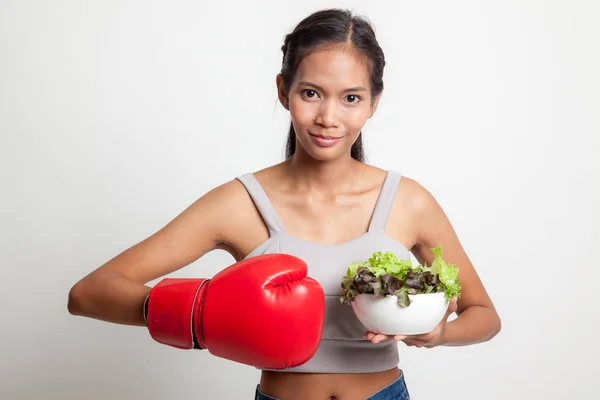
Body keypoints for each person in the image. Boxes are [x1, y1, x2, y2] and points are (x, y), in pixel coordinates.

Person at [68, 8, 501, 400]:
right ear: (283, 90)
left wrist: (440, 333)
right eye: (311, 93)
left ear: (373, 103)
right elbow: (88, 292)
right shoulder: (239, 204)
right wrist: (200, 314)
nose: (328, 117)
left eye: (351, 98)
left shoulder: (408, 201)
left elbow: (484, 315)